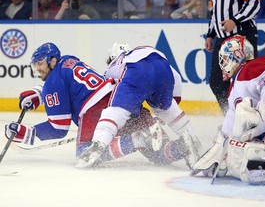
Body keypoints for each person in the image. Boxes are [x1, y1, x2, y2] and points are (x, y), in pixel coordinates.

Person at [4, 42, 194, 169]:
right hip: (120, 98)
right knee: (158, 155)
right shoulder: (69, 60)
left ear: (52, 61)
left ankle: (137, 139)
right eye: (35, 65)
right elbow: (66, 85)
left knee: (84, 156)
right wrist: (39, 93)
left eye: (40, 64)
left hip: (95, 110)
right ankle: (184, 146)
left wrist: (28, 134)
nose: (37, 69)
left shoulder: (53, 82)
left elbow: (58, 128)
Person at [76, 42, 204, 169]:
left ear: (112, 56)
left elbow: (108, 90)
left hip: (136, 72)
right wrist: (166, 106)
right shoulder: (141, 51)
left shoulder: (115, 64)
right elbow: (175, 79)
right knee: (165, 109)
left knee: (115, 111)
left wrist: (105, 130)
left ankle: (98, 145)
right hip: (162, 65)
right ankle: (191, 138)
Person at [191, 35, 265, 185]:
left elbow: (241, 117)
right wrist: (222, 143)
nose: (223, 65)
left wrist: (224, 149)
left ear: (236, 56)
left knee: (245, 140)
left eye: (224, 60)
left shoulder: (245, 73)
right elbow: (229, 125)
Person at [205, 0, 260, 115]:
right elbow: (215, 12)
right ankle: (231, 117)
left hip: (243, 35)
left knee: (247, 82)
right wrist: (210, 34)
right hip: (222, 39)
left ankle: (253, 118)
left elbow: (254, 3)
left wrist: (235, 20)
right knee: (216, 82)